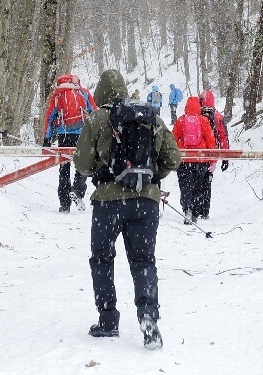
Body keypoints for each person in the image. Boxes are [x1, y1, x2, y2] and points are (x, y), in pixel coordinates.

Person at [75, 69, 181, 350]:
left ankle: (108, 320)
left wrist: (105, 170)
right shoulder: (150, 116)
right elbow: (173, 157)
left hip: (108, 203)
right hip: (146, 202)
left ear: (101, 93)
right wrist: (149, 177)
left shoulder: (97, 119)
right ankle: (149, 318)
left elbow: (82, 164)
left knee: (102, 259)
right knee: (143, 261)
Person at [42, 74, 96, 212]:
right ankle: (77, 190)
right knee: (82, 163)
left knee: (64, 168)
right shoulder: (83, 92)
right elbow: (94, 111)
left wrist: (47, 138)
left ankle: (65, 204)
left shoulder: (58, 95)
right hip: (82, 133)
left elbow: (50, 117)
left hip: (64, 134)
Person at [172, 96, 215, 225]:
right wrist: (212, 160)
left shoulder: (180, 121)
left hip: (184, 160)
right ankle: (195, 212)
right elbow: (210, 141)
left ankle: (187, 210)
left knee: (185, 187)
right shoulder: (204, 120)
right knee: (198, 187)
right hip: (200, 160)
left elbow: (172, 140)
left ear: (186, 107)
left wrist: (172, 159)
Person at [198, 90, 231, 220]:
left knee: (195, 182)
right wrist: (225, 157)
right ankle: (205, 211)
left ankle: (195, 209)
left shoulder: (196, 114)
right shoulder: (218, 117)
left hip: (197, 154)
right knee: (207, 183)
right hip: (211, 155)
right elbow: (223, 137)